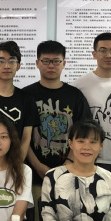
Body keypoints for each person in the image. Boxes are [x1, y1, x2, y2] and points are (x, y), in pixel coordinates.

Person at [71, 32, 111, 203]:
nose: (108, 55)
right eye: (103, 50)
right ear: (94, 54)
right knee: (86, 207)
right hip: (87, 158)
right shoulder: (80, 86)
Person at [41, 120, 111, 221]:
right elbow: (48, 217)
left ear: (101, 145)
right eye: (80, 141)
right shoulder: (53, 176)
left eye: (93, 142)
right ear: (71, 143)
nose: (86, 147)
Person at [24, 40, 90, 181]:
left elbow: (83, 133)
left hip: (70, 172)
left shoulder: (75, 96)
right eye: (46, 61)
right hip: (33, 174)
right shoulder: (26, 95)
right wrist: (37, 166)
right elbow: (21, 137)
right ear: (37, 63)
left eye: (56, 61)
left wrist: (68, 164)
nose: (51, 65)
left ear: (63, 63)